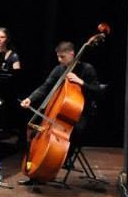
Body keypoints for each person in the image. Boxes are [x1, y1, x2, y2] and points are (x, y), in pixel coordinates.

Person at [19, 40, 101, 184]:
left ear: (72, 54)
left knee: (72, 133)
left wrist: (81, 82)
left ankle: (57, 162)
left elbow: (97, 91)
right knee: (36, 131)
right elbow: (45, 87)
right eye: (58, 56)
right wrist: (30, 99)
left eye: (62, 57)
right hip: (59, 113)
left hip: (81, 113)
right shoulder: (59, 69)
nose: (59, 60)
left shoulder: (87, 69)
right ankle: (37, 170)